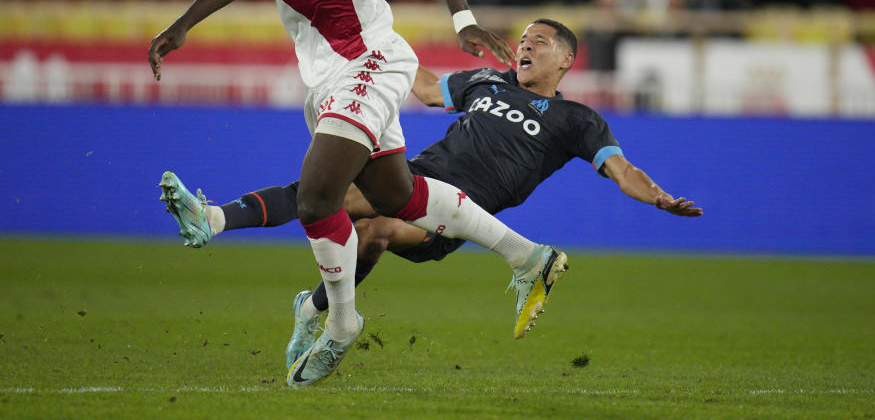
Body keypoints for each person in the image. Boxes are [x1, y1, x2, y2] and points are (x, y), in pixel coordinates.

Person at [149, 0, 561, 388]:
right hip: (322, 78)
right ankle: (529, 257)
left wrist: (462, 18)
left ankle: (340, 322)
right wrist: (185, 24)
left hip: (374, 60)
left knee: (320, 199)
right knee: (397, 194)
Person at [161, 19, 701, 373]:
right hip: (413, 178)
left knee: (365, 223)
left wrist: (658, 198)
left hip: (454, 213)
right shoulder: (486, 82)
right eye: (523, 40)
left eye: (539, 41)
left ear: (566, 60)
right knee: (329, 200)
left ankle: (303, 297)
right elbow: (423, 87)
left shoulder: (579, 120)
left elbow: (621, 169)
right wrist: (383, 42)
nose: (525, 46)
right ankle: (307, 300)